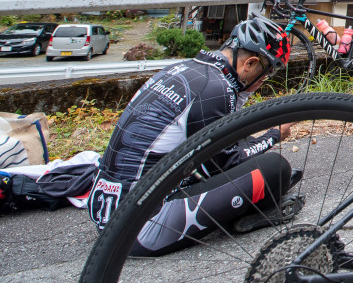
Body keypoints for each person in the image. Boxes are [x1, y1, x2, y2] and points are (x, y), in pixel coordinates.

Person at [87, 17, 302, 255]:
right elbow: (223, 165)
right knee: (276, 167)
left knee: (241, 141)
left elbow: (224, 139)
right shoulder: (216, 89)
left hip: (109, 209)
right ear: (250, 64)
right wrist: (274, 135)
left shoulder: (186, 69)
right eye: (265, 74)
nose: (262, 82)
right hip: (140, 230)